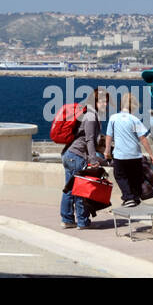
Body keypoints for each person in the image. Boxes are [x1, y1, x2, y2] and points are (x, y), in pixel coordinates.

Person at [61, 89, 109, 229]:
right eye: (102, 101)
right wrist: (94, 160)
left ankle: (67, 219)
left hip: (69, 155)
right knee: (81, 190)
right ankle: (82, 222)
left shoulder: (85, 114)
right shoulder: (91, 116)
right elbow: (89, 140)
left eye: (106, 101)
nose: (105, 104)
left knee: (69, 190)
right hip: (77, 156)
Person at [106, 94, 153, 207]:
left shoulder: (113, 118)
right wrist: (151, 154)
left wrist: (107, 152)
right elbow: (143, 138)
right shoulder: (135, 120)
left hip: (120, 155)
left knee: (119, 175)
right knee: (135, 177)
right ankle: (135, 198)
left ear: (121, 104)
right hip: (135, 155)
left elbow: (109, 137)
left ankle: (128, 198)